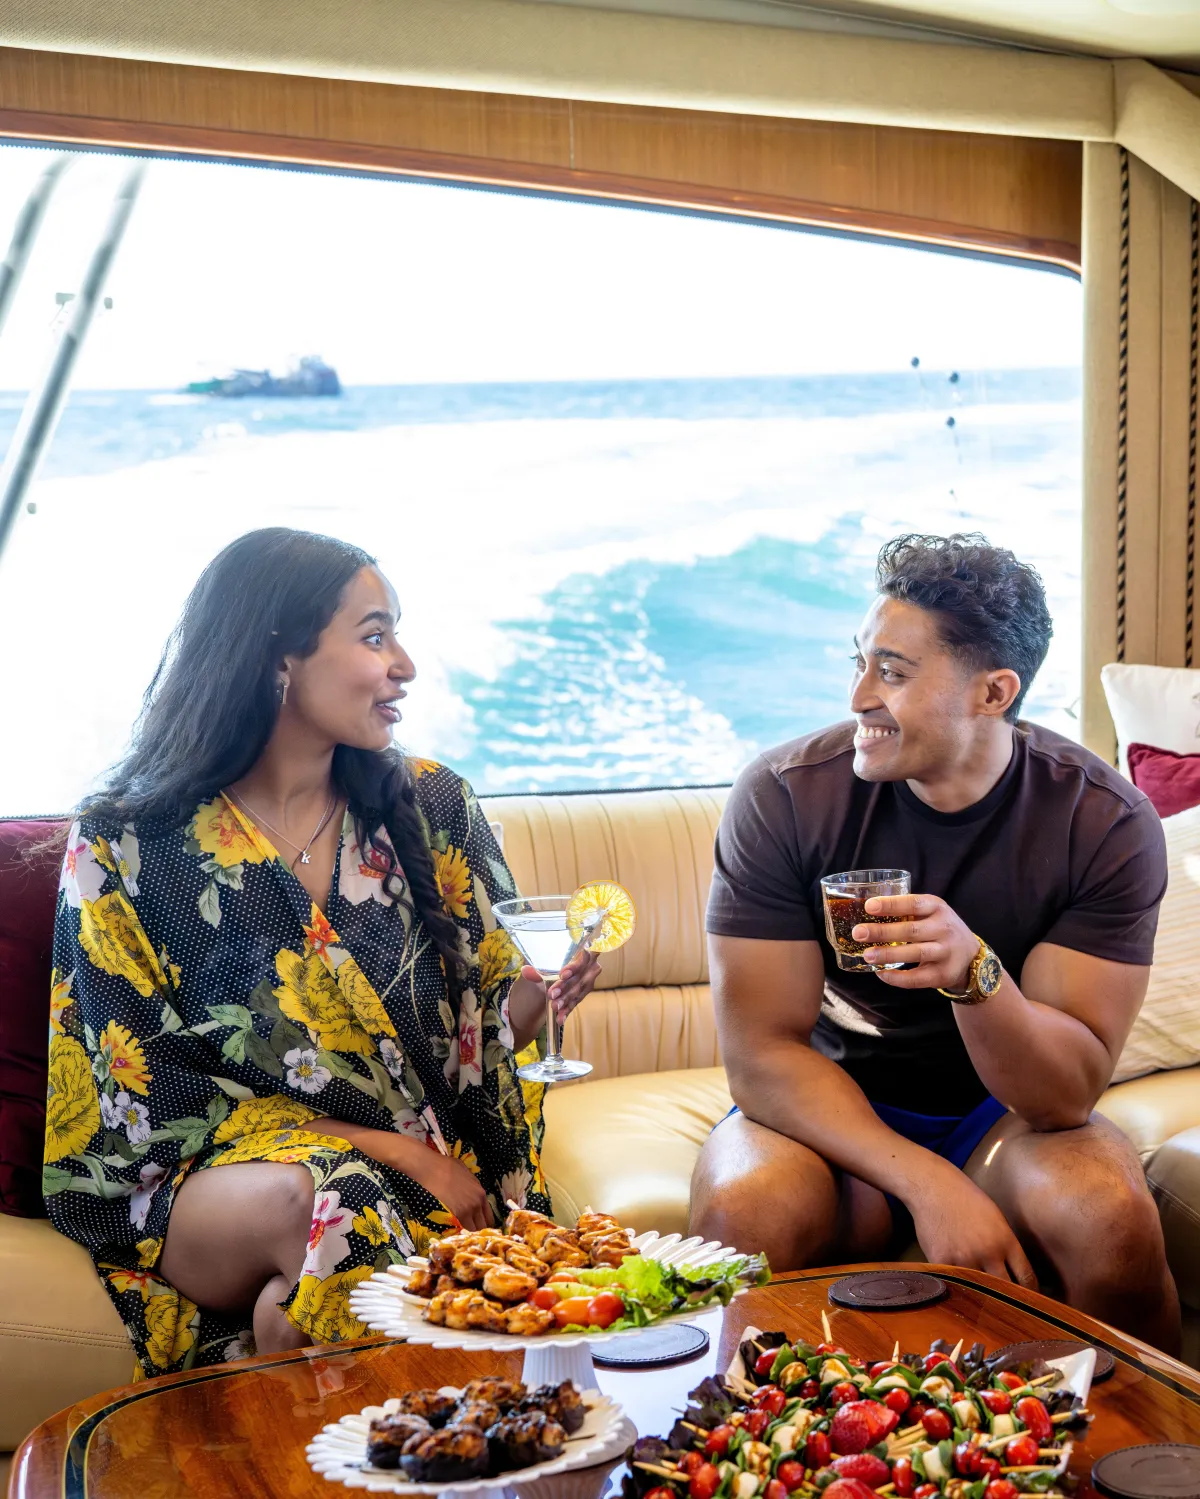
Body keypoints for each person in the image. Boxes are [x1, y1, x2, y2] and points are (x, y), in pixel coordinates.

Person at [44, 527, 601, 1376]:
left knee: (299, 1297)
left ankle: (319, 1404)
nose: (404, 664)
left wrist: (543, 998)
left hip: (414, 1180)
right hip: (198, 1185)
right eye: (375, 635)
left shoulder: (431, 806)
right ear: (279, 656)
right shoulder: (124, 843)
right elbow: (147, 1104)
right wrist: (399, 1150)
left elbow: (477, 1055)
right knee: (341, 1198)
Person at [690, 532, 1181, 1353]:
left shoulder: (1102, 821)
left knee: (1111, 1219)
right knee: (745, 1211)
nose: (857, 697)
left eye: (892, 671)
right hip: (824, 1108)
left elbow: (1063, 1096)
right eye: (859, 662)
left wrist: (975, 974)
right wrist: (929, 1185)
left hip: (1007, 1117)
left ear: (994, 692)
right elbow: (762, 1054)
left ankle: (1159, 1462)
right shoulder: (784, 797)